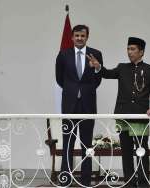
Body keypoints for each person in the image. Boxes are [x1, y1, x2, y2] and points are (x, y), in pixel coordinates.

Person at [87, 37, 150, 187]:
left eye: (133, 49)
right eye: (128, 49)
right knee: (126, 151)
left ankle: (142, 182)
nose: (129, 52)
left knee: (142, 150)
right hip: (123, 115)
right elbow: (107, 73)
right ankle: (129, 182)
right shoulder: (122, 68)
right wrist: (98, 67)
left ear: (141, 52)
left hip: (141, 116)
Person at [55, 24, 103, 186]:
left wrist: (97, 68)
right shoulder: (63, 54)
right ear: (72, 37)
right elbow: (59, 79)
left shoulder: (95, 54)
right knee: (67, 142)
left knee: (87, 145)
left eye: (82, 36)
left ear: (87, 37)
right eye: (77, 36)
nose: (80, 38)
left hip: (88, 105)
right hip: (69, 105)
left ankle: (86, 181)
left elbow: (98, 79)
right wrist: (73, 91)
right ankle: (65, 180)